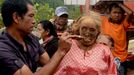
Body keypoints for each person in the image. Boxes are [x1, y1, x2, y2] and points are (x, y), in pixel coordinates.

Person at [0, 0, 72, 75]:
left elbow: (49, 64)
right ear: (16, 17)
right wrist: (60, 52)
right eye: (31, 16)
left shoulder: (31, 38)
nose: (34, 21)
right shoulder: (3, 49)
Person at [101, 3, 133, 75]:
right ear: (110, 13)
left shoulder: (124, 24)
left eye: (119, 13)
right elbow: (95, 11)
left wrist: (119, 3)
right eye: (114, 12)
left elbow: (130, 13)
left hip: (121, 58)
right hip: (106, 57)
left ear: (122, 14)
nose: (117, 15)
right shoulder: (105, 21)